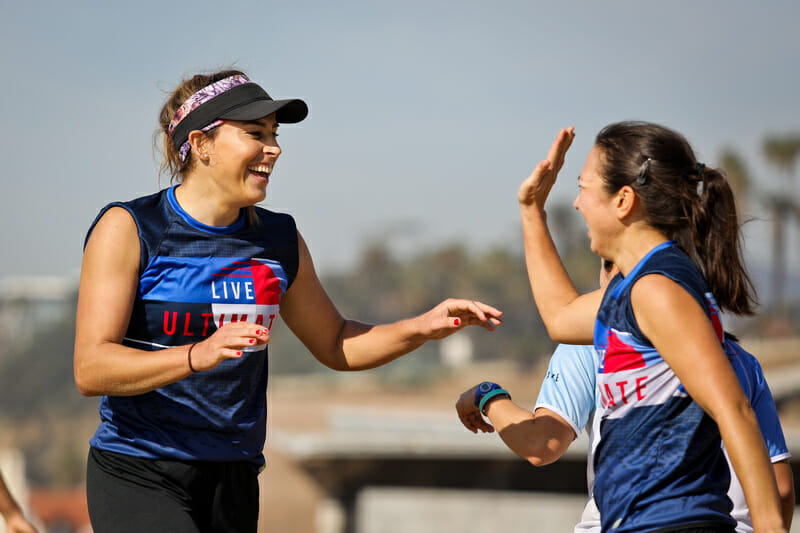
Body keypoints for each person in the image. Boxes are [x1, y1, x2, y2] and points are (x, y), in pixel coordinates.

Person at [73, 69, 503, 533]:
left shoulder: (278, 238)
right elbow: (92, 368)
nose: (273, 148)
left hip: (233, 475)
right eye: (255, 133)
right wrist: (199, 354)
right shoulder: (131, 228)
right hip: (139, 469)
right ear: (201, 145)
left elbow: (336, 343)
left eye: (274, 135)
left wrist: (423, 326)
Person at [515, 122, 786, 532]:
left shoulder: (658, 289)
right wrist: (532, 209)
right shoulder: (638, 286)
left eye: (584, 188)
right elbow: (561, 315)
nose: (577, 203)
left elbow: (733, 410)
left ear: (624, 200)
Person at [456, 259, 794, 532]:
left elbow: (541, 443)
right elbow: (779, 488)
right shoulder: (738, 359)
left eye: (608, 261)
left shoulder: (591, 345)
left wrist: (488, 395)